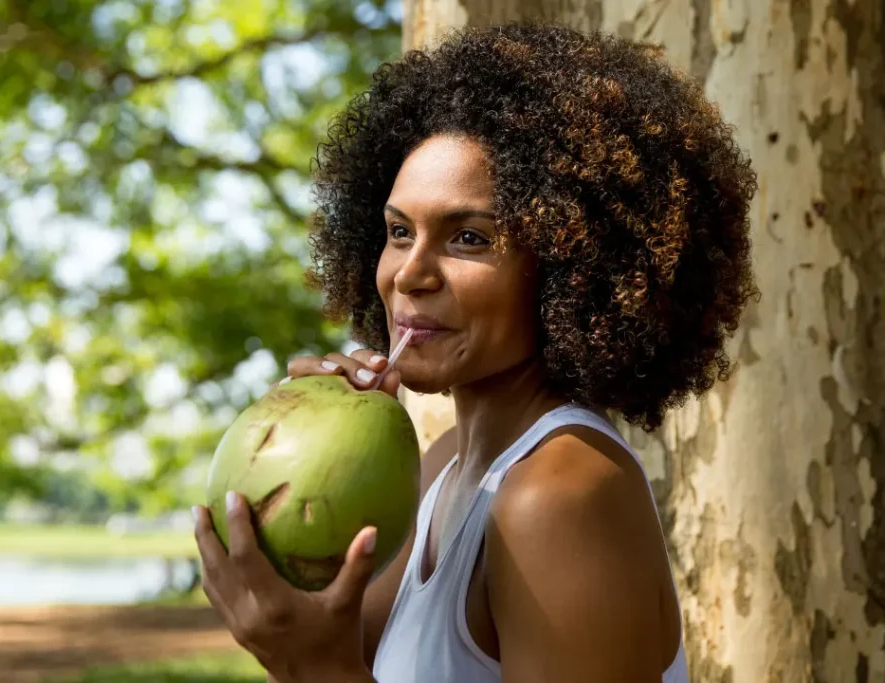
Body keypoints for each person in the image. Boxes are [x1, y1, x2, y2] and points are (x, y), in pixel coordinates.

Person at [192, 21, 757, 683]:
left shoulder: (561, 494)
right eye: (400, 231)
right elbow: (338, 647)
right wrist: (321, 465)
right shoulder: (436, 470)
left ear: (570, 267)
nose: (410, 272)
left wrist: (316, 670)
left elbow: (329, 670)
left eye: (468, 239)